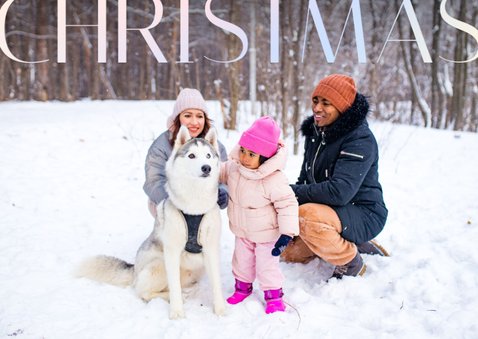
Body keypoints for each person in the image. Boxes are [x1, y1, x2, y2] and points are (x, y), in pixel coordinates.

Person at [281, 74, 389, 279]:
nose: (317, 108)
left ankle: (350, 260)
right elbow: (305, 180)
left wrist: (288, 191)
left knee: (305, 217)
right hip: (329, 209)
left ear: (342, 106)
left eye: (326, 103)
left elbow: (339, 192)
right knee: (287, 254)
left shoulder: (360, 139)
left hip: (363, 213)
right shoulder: (316, 133)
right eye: (315, 101)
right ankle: (343, 239)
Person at [219, 116, 299, 314]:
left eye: (252, 154)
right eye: (243, 150)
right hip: (242, 231)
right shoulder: (233, 168)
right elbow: (216, 172)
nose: (245, 157)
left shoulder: (273, 179)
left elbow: (287, 204)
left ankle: (273, 295)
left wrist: (287, 233)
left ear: (265, 157)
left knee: (266, 266)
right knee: (241, 261)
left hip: (266, 236)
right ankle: (242, 287)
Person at [143, 88, 229, 217]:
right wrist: (177, 201)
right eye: (188, 115)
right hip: (171, 203)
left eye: (199, 116)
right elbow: (154, 181)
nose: (194, 122)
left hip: (204, 204)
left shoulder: (214, 147)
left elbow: (224, 176)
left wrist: (223, 191)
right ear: (178, 118)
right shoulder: (161, 145)